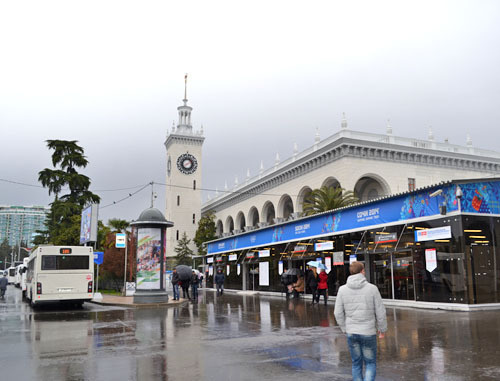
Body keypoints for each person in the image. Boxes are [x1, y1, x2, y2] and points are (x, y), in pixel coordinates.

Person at [334, 262, 387, 381]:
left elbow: (337, 313)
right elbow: (380, 311)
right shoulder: (372, 289)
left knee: (356, 363)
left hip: (352, 332)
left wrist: (344, 328)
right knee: (370, 363)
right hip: (368, 332)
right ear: (362, 271)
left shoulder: (342, 290)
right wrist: (382, 329)